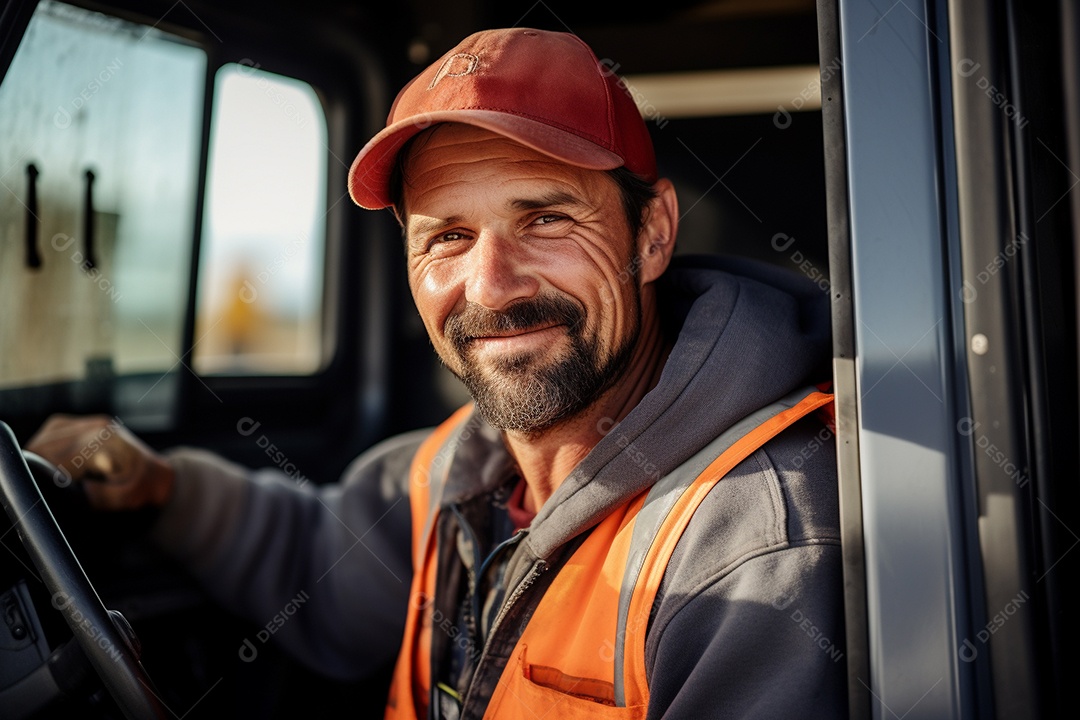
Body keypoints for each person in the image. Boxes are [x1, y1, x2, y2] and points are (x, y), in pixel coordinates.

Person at [28, 27, 846, 719]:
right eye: (448, 237)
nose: (491, 284)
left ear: (653, 234)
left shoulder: (752, 551)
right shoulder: (468, 460)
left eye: (546, 218)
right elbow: (320, 562)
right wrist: (156, 485)